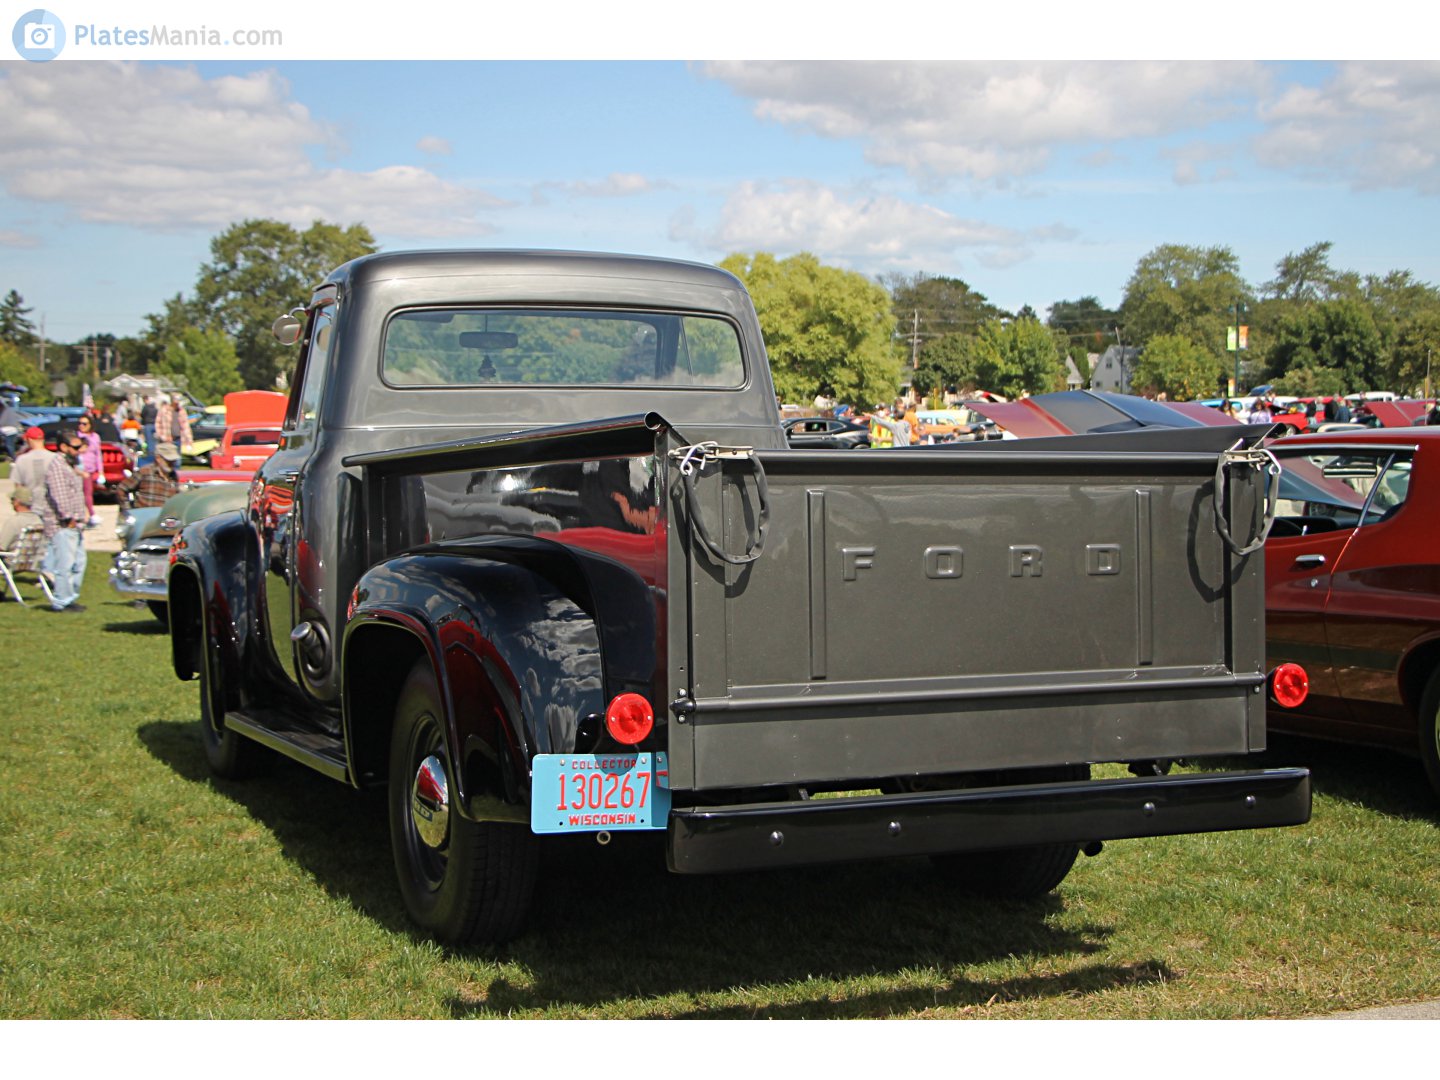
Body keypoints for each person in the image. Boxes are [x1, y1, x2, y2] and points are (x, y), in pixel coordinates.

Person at [37, 428, 88, 613]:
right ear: (63, 447)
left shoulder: (69, 464)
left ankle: (71, 597)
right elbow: (59, 496)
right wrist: (69, 518)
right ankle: (62, 601)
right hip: (63, 524)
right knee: (64, 565)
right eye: (75, 447)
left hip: (76, 523)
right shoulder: (57, 465)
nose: (79, 450)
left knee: (79, 563)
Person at [119, 441, 183, 508]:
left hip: (164, 516)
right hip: (144, 515)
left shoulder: (173, 476)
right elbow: (122, 488)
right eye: (169, 461)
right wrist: (128, 509)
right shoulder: (145, 472)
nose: (172, 463)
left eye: (174, 461)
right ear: (158, 458)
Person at [12, 425, 54, 511]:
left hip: (31, 506)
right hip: (52, 505)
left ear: (29, 440)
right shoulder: (55, 458)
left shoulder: (22, 459)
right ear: (43, 439)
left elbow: (18, 487)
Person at [75, 413, 104, 526]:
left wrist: (101, 470)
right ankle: (88, 514)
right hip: (79, 468)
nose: (81, 426)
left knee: (88, 492)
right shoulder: (76, 436)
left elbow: (98, 454)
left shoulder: (95, 437)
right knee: (80, 493)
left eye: (84, 424)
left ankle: (91, 514)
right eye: (80, 423)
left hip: (90, 469)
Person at [0, 484, 42, 551]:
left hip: (11, 559)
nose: (11, 502)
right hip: (31, 560)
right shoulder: (38, 520)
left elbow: (1, 547)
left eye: (12, 499)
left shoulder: (14, 522)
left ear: (17, 502)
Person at [140, 396, 159, 461]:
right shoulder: (154, 407)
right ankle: (155, 452)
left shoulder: (145, 407)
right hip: (154, 424)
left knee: (149, 440)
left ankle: (150, 454)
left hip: (148, 424)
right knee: (154, 440)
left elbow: (142, 415)